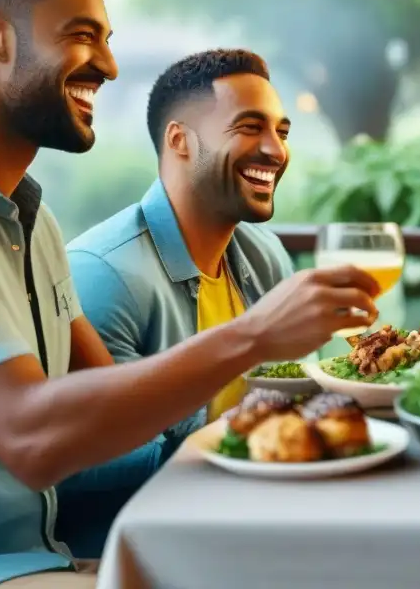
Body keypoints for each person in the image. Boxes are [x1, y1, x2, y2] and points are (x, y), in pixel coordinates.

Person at [0, 0, 379, 589]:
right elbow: (33, 438)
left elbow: (102, 405)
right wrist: (256, 336)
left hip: (45, 556)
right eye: (82, 37)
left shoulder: (35, 223)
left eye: (108, 41)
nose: (110, 67)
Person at [54, 48, 299, 557]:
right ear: (179, 140)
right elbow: (75, 460)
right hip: (148, 553)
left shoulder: (265, 255)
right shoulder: (104, 274)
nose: (275, 150)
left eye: (282, 131)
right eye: (250, 127)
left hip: (261, 521)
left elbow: (293, 398)